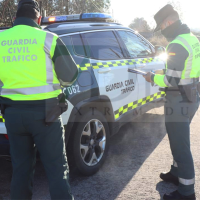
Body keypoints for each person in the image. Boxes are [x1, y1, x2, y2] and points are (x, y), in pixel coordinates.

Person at [0, 0, 78, 199]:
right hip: (46, 114)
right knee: (56, 169)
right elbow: (70, 76)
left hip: (12, 114)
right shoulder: (48, 39)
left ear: (16, 17)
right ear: (39, 18)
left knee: (21, 170)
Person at [143, 4, 200, 200]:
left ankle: (186, 192)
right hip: (192, 96)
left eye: (162, 27)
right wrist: (164, 73)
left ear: (169, 22)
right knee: (178, 139)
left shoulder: (176, 44)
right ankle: (176, 174)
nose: (163, 32)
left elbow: (171, 80)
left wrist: (152, 77)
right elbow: (185, 70)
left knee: (180, 145)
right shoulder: (192, 38)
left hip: (178, 99)